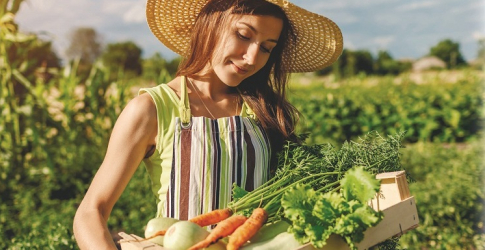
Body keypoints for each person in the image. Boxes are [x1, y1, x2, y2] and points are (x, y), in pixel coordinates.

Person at [73, 0, 343, 249]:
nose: (251, 57)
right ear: (209, 24)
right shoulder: (152, 109)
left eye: (266, 48)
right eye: (244, 35)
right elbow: (90, 213)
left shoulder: (265, 111)